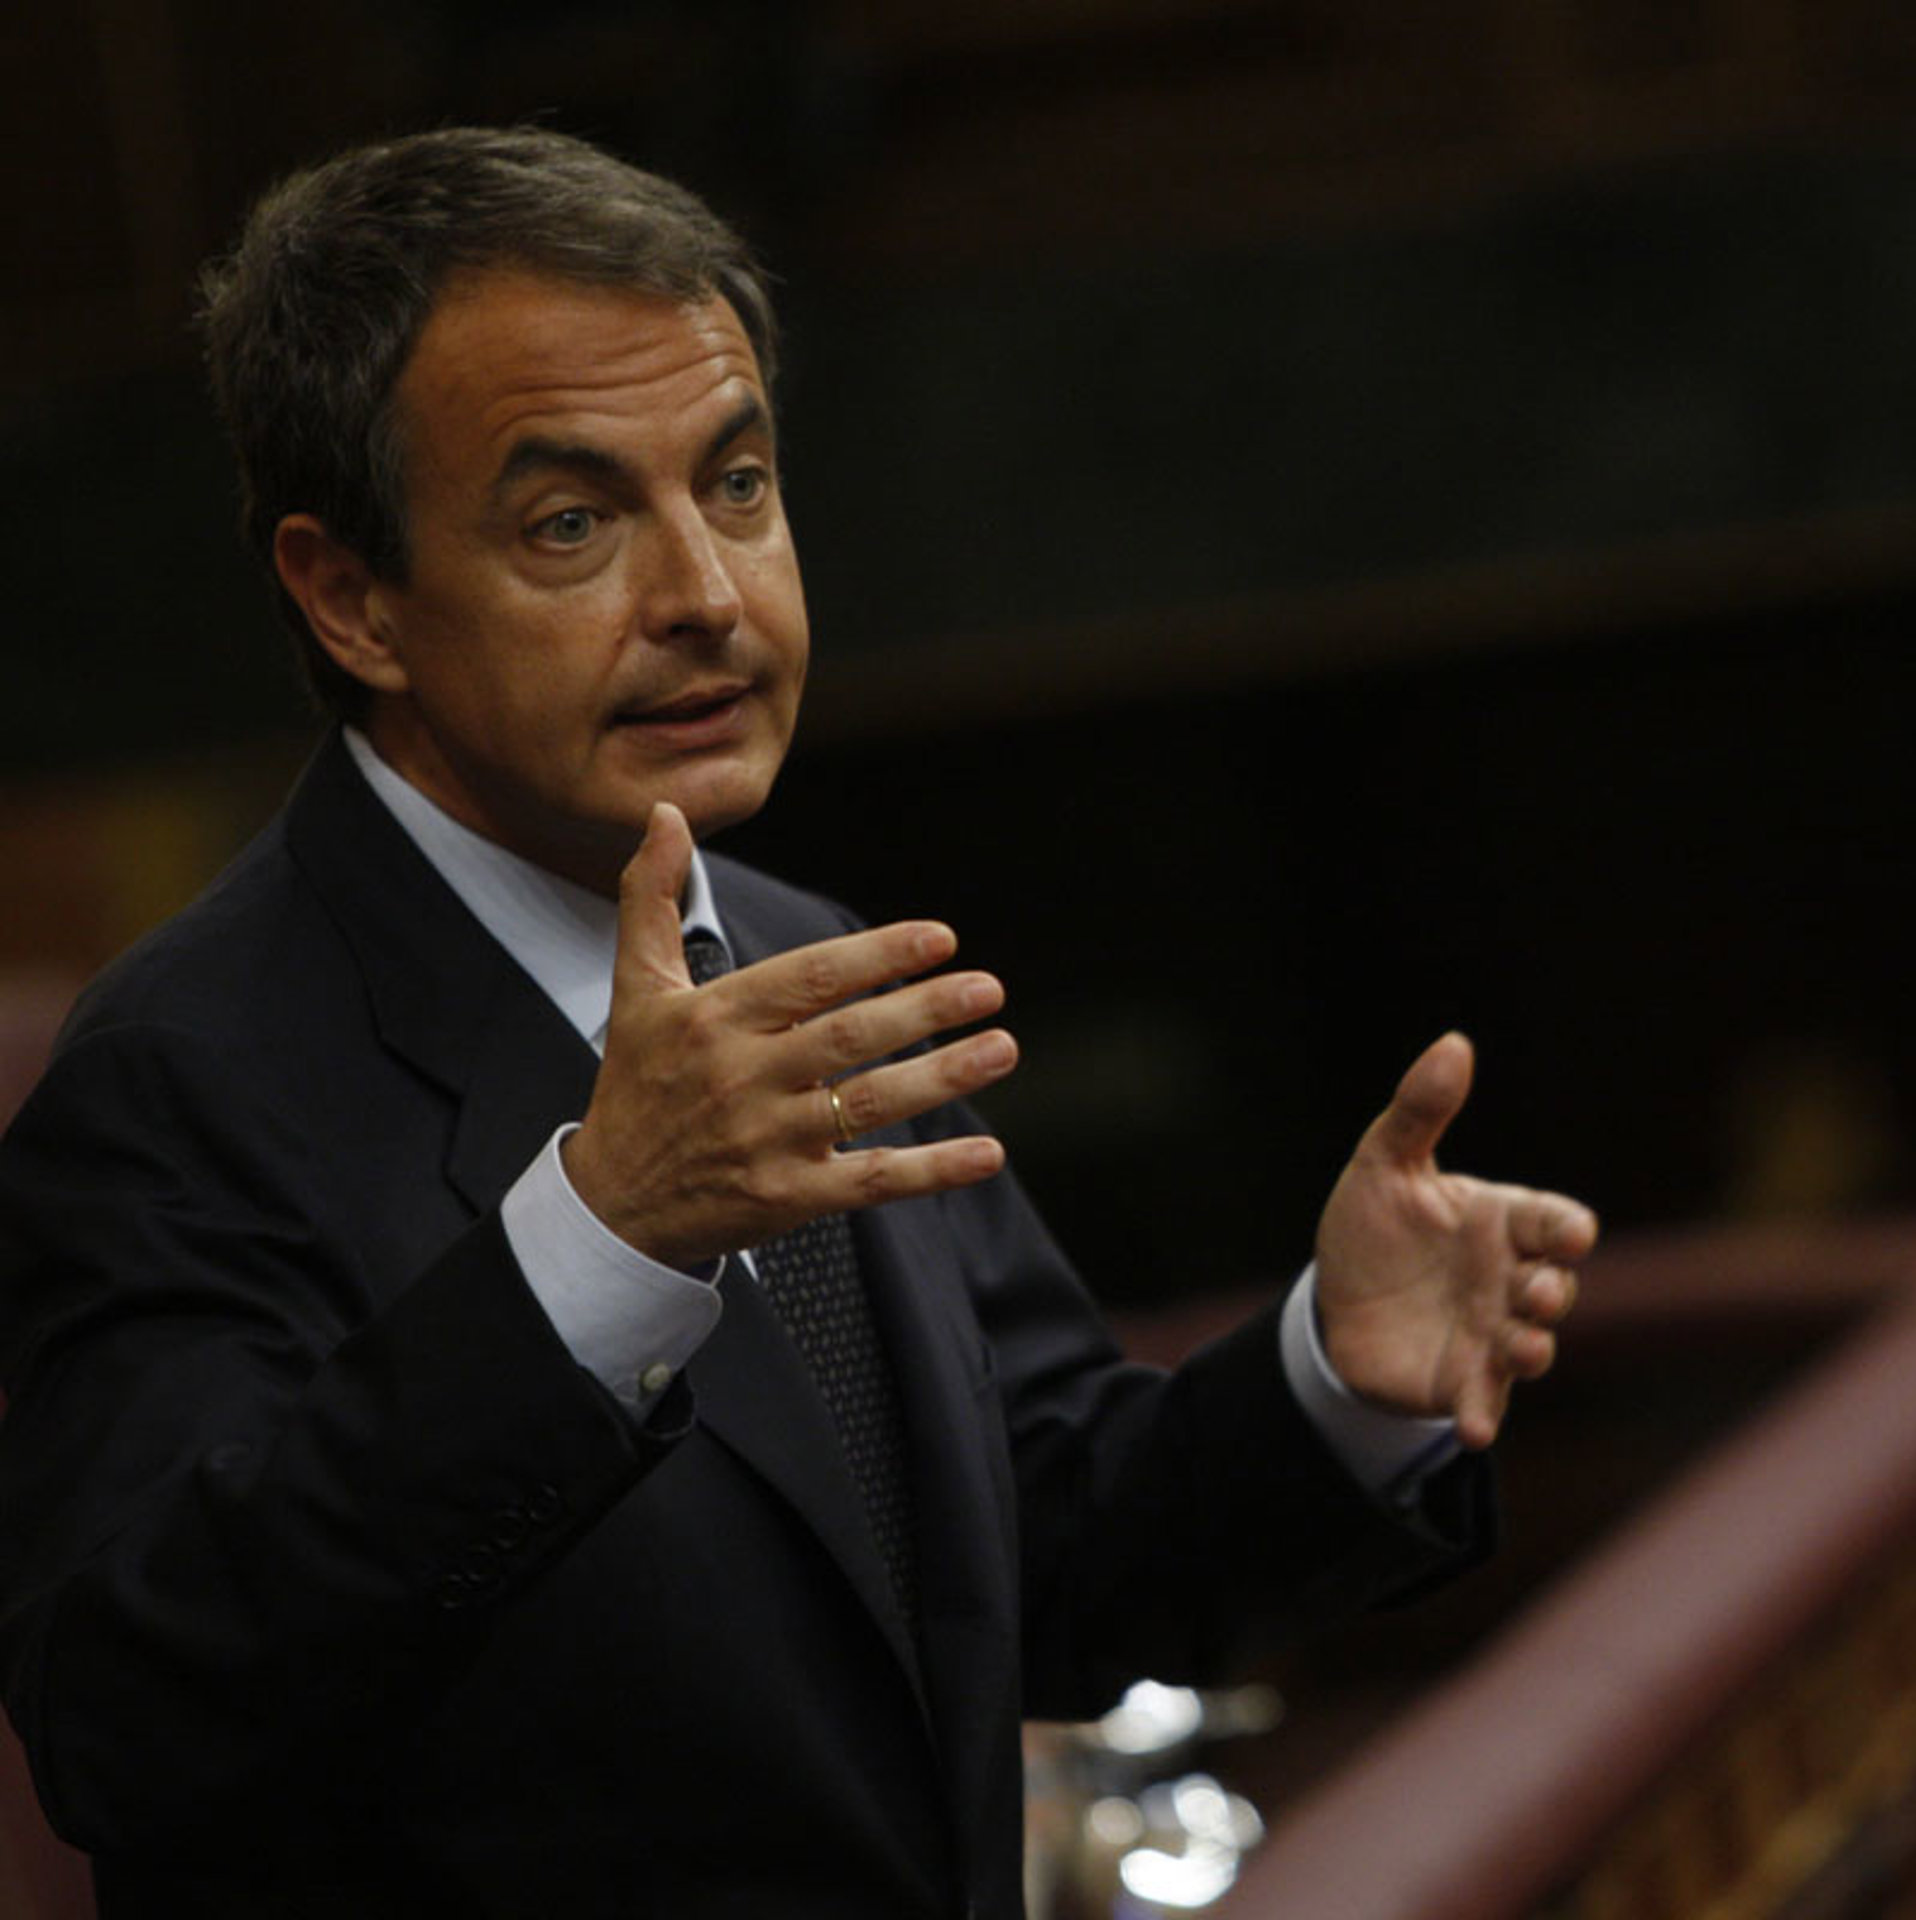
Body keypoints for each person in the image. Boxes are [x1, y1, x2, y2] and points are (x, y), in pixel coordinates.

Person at [0, 127, 1596, 1919]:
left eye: (739, 483)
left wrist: (1333, 1388)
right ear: (352, 599)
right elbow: (131, 1715)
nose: (705, 593)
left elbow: (1021, 1557)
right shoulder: (181, 1079)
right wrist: (600, 1244)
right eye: (573, 522)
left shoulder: (786, 950)